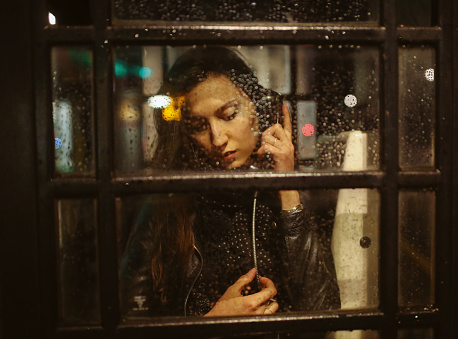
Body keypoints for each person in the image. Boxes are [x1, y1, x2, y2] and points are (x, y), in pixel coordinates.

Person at [120, 46, 341, 317]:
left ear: (259, 111)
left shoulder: (290, 194)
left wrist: (286, 184)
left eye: (228, 115)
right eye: (198, 126)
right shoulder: (168, 200)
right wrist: (211, 325)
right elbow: (130, 316)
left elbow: (324, 312)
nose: (217, 138)